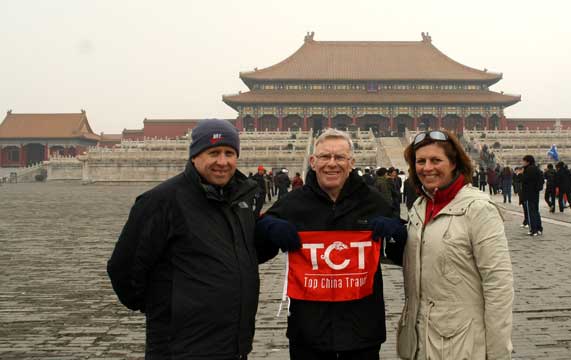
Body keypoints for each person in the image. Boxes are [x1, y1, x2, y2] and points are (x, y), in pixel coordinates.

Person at [107, 119, 277, 359]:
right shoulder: (162, 201)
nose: (222, 162)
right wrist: (164, 308)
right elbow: (123, 268)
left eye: (229, 153)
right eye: (213, 152)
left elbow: (238, 254)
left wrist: (269, 238)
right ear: (195, 155)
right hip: (181, 347)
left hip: (233, 344)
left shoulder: (241, 199)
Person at [255, 128, 397, 359]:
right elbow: (258, 251)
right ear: (313, 161)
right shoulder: (293, 203)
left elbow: (403, 251)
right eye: (324, 157)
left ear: (351, 163)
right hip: (309, 333)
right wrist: (267, 227)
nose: (332, 164)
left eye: (340, 157)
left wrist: (397, 232)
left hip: (362, 330)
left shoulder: (373, 202)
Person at [389, 130, 514, 360]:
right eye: (421, 161)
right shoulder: (420, 206)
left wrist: (497, 353)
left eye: (436, 160)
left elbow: (499, 285)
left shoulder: (478, 209)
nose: (427, 168)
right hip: (419, 341)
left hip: (462, 345)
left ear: (454, 163)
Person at [521, 155, 544, 236]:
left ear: (528, 161)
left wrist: (521, 174)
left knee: (530, 212)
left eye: (524, 161)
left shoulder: (528, 170)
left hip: (528, 193)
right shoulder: (537, 169)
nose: (522, 162)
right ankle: (539, 228)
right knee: (536, 211)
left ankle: (533, 229)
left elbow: (524, 180)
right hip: (535, 193)